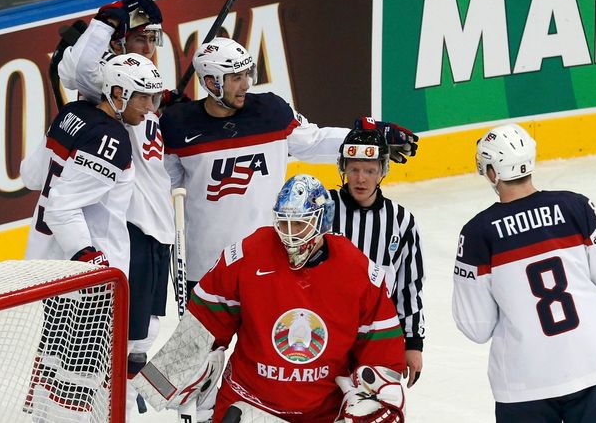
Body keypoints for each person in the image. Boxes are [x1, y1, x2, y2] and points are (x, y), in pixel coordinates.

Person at [134, 174, 408, 422]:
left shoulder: (358, 271)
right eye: (283, 223)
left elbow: (379, 348)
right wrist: (174, 385)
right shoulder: (247, 255)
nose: (289, 235)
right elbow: (204, 324)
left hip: (325, 411)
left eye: (299, 225)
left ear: (322, 222)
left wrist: (379, 398)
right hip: (249, 403)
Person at [161, 37, 419, 293]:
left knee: (262, 335)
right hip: (204, 267)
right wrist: (156, 117)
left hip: (265, 262)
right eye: (236, 78)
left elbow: (315, 142)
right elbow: (160, 185)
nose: (245, 85)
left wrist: (369, 138)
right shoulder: (177, 125)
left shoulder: (271, 112)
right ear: (210, 82)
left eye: (246, 74)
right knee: (202, 337)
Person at [452, 123, 596, 422]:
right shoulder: (577, 206)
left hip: (525, 386)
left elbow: (476, 326)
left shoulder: (476, 235)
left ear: (494, 172)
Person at [20, 53, 163, 421]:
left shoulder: (72, 115)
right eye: (142, 97)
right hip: (89, 283)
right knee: (80, 380)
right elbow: (62, 207)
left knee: (55, 366)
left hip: (53, 269)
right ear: (117, 92)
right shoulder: (111, 139)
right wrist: (94, 265)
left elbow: (31, 177)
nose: (149, 108)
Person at [57, 0, 175, 418]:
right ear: (121, 44)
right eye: (140, 39)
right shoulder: (108, 86)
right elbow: (76, 71)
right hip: (133, 232)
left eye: (154, 39)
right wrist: (104, 26)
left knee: (147, 334)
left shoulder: (143, 96)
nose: (150, 48)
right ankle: (107, 405)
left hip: (160, 234)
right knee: (120, 340)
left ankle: (121, 397)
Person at [330, 128, 426, 388]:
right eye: (354, 169)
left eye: (370, 171)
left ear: (383, 171)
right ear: (343, 168)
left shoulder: (401, 221)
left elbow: (409, 286)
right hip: (325, 332)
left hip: (380, 337)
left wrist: (413, 342)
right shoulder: (323, 209)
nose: (361, 179)